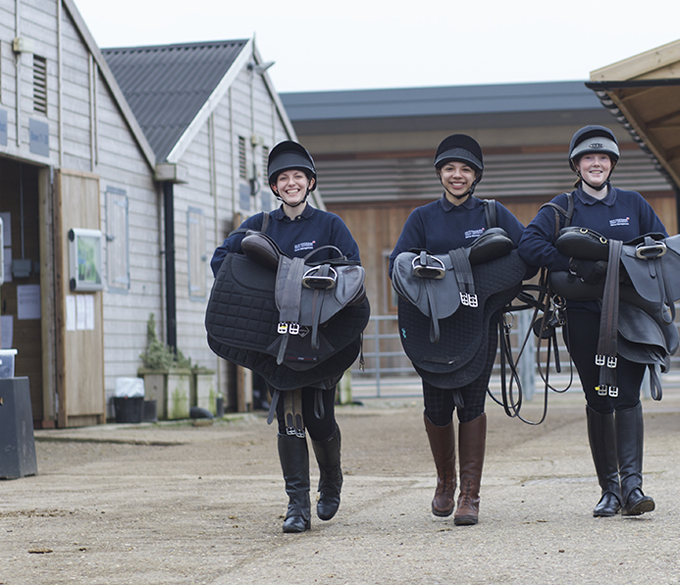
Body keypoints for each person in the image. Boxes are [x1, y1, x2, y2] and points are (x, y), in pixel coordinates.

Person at [211, 140, 359, 534]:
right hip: (277, 338)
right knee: (289, 418)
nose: (291, 183)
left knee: (319, 416)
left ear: (310, 182)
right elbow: (222, 262)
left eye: (298, 177)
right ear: (274, 187)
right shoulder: (258, 226)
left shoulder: (330, 226)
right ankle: (297, 506)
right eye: (283, 178)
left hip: (321, 337)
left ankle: (331, 479)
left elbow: (352, 274)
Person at [519, 125, 667, 517]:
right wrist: (571, 264)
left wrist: (630, 261)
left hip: (632, 316)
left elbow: (661, 245)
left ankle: (634, 488)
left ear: (612, 163)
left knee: (628, 397)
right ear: (577, 164)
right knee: (599, 398)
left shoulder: (633, 204)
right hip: (585, 318)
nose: (596, 163)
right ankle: (610, 490)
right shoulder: (562, 208)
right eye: (588, 157)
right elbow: (529, 243)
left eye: (603, 158)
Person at [389, 134, 527, 526]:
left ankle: (470, 494)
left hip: (479, 323)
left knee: (472, 403)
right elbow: (396, 266)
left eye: (465, 169)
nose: (457, 175)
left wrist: (496, 290)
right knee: (436, 407)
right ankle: (445, 482)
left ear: (476, 176)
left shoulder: (493, 215)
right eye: (450, 168)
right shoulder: (422, 218)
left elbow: (526, 254)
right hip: (432, 325)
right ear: (440, 173)